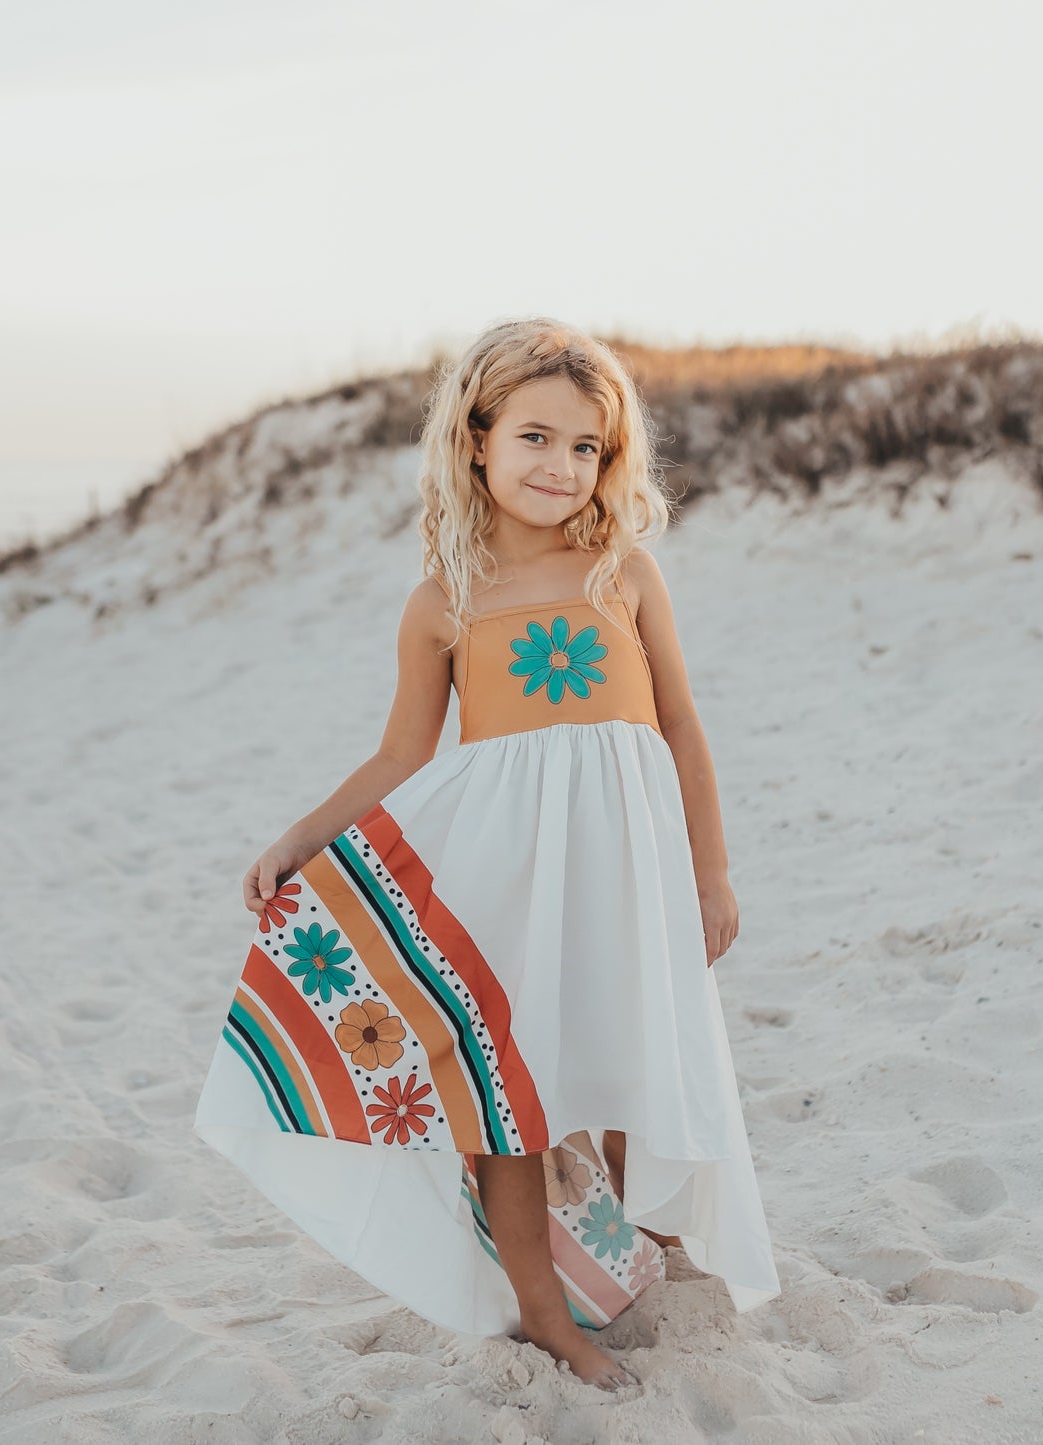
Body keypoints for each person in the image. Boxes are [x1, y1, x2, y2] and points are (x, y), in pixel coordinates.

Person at [193, 317, 780, 1392]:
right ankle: (548, 1315)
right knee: (509, 1103)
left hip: (623, 881)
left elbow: (682, 727)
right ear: (475, 439)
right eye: (535, 438)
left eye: (585, 447)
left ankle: (636, 1243)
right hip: (503, 885)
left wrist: (712, 871)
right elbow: (401, 754)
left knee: (623, 1065)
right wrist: (298, 836)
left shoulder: (624, 572)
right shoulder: (442, 604)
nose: (561, 466)